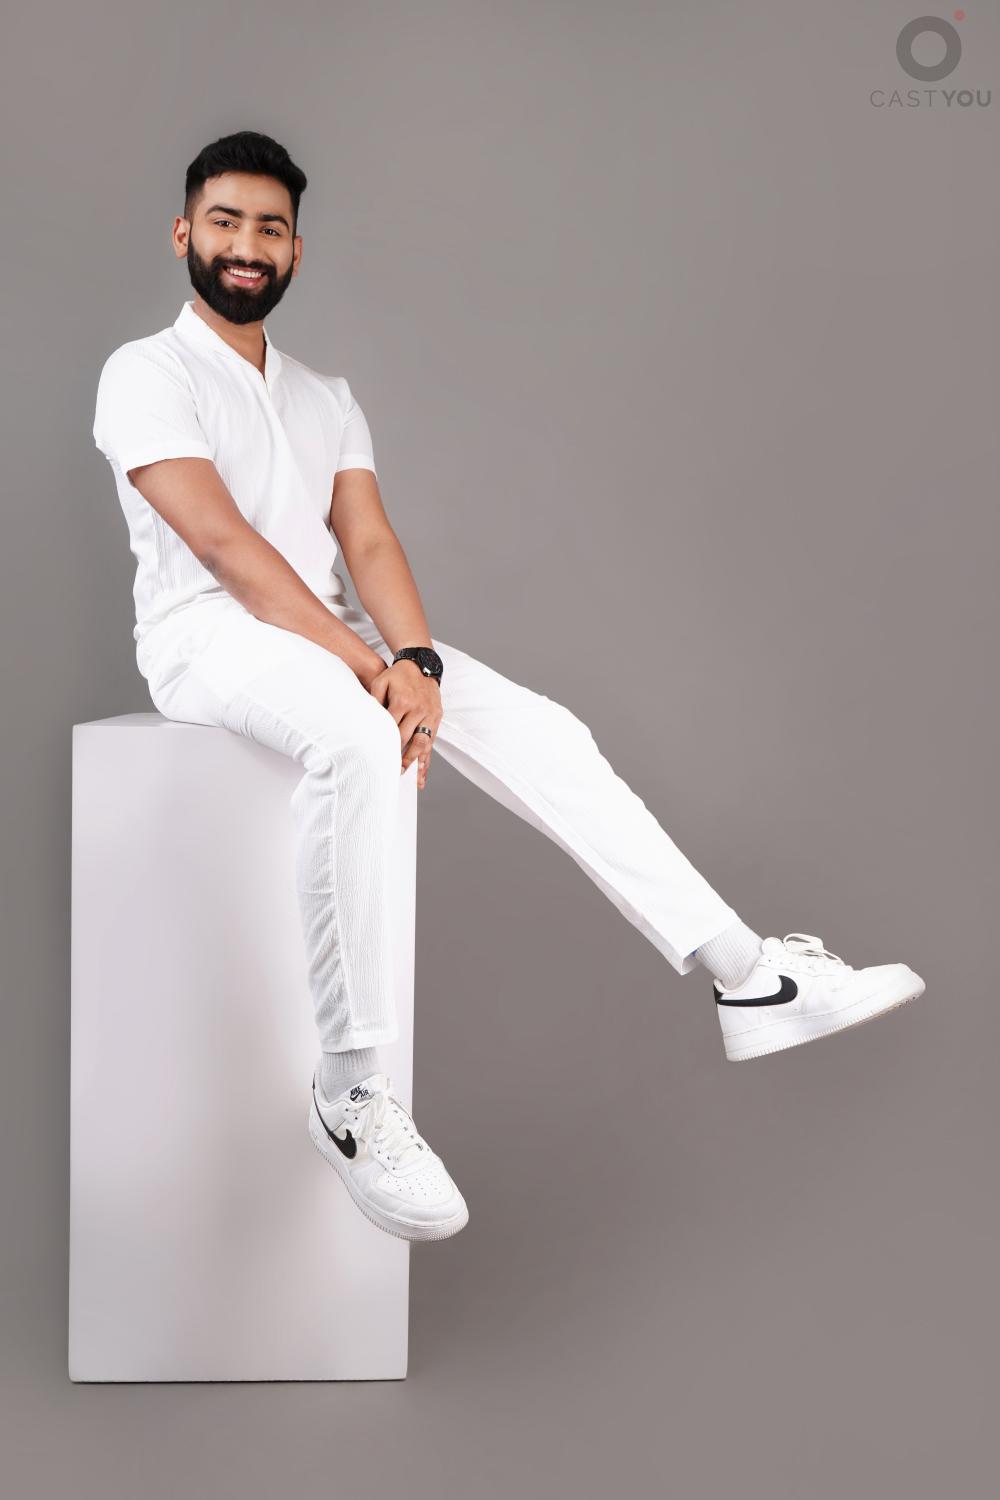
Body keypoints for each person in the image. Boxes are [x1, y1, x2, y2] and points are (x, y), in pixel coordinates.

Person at [92, 131, 925, 1244]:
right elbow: (222, 543)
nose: (248, 245)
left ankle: (750, 978)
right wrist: (373, 674)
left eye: (271, 228)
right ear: (184, 233)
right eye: (226, 221)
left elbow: (367, 541)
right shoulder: (145, 371)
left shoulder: (325, 396)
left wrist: (418, 662)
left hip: (335, 636)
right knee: (357, 743)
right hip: (207, 635)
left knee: (546, 730)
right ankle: (350, 1091)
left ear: (296, 250)